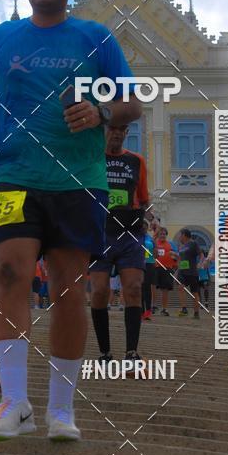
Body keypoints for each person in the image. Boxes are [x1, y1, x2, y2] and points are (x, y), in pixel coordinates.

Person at [0, 0, 140, 442]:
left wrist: (102, 113)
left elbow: (133, 104)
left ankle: (60, 411)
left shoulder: (96, 37)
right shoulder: (1, 38)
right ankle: (14, 403)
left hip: (78, 180)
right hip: (13, 177)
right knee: (9, 273)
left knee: (67, 290)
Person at [90, 124, 150, 363]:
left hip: (130, 233)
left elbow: (144, 198)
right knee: (99, 291)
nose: (116, 133)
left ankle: (131, 352)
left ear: (126, 133)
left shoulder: (137, 161)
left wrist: (141, 222)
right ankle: (105, 352)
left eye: (122, 129)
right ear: (104, 131)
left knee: (134, 288)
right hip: (100, 231)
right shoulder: (93, 158)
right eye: (112, 128)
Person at [176, 228, 201, 319]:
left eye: (180, 235)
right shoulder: (182, 246)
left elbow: (201, 254)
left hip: (192, 271)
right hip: (182, 271)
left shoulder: (193, 243)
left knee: (195, 292)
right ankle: (184, 309)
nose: (179, 237)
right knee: (180, 287)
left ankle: (196, 312)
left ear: (184, 235)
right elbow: (180, 259)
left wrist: (200, 263)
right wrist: (177, 270)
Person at [154, 227, 177, 315]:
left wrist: (175, 267)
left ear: (166, 235)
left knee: (165, 290)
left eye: (164, 234)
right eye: (161, 234)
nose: (163, 235)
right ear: (158, 235)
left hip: (167, 269)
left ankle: (164, 309)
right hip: (155, 268)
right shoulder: (154, 243)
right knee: (153, 289)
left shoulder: (171, 244)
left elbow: (176, 256)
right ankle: (153, 306)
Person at [141, 220, 155, 320]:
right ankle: (141, 311)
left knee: (147, 287)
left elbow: (155, 251)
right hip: (138, 264)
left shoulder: (150, 239)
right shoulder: (135, 237)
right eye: (142, 227)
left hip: (149, 264)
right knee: (140, 288)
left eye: (145, 227)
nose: (144, 228)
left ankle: (148, 310)